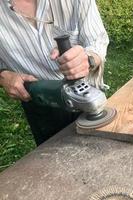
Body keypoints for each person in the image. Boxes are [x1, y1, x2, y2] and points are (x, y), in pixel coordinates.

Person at [0, 0, 109, 145]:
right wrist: (2, 76)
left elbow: (97, 40)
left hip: (89, 93)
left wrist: (88, 60)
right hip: (41, 103)